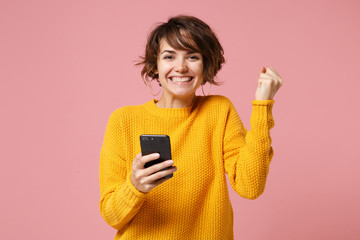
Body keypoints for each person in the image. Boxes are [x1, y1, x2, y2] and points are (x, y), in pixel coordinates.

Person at [99, 15, 283, 239]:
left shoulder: (219, 110)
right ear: (155, 65)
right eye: (169, 56)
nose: (181, 67)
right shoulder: (123, 120)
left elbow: (250, 186)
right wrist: (135, 186)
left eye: (193, 56)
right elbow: (112, 216)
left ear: (206, 65)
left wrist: (262, 106)